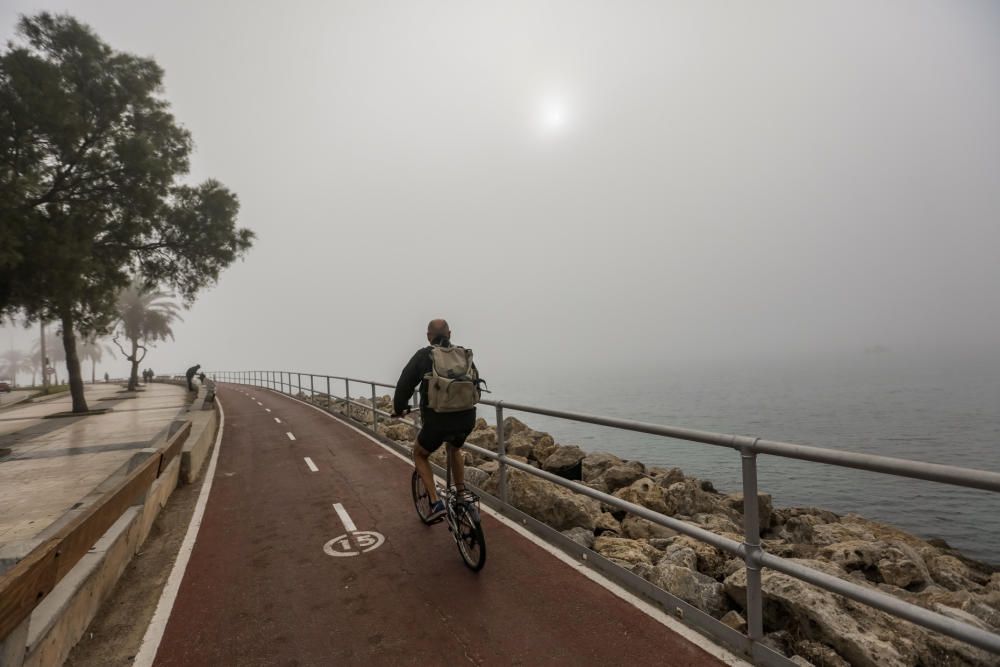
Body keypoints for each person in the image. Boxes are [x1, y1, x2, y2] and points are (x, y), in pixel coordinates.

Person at [392, 319, 481, 521]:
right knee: (455, 448)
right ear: (450, 333)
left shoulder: (425, 355)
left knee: (420, 453)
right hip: (467, 418)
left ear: (428, 336)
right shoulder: (463, 354)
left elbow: (404, 385)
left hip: (437, 421)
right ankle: (461, 495)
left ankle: (435, 502)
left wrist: (399, 408)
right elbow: (476, 385)